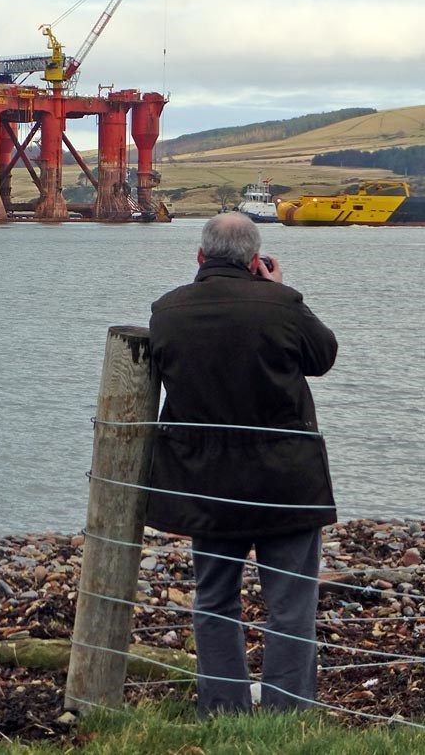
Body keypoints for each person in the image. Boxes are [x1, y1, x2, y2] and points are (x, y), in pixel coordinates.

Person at [146, 211, 338, 715]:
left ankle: (222, 707)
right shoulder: (283, 305)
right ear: (257, 261)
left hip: (207, 483)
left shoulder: (167, 311)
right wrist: (283, 289)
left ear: (200, 257)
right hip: (287, 483)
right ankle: (287, 712)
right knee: (291, 607)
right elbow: (323, 356)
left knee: (213, 602)